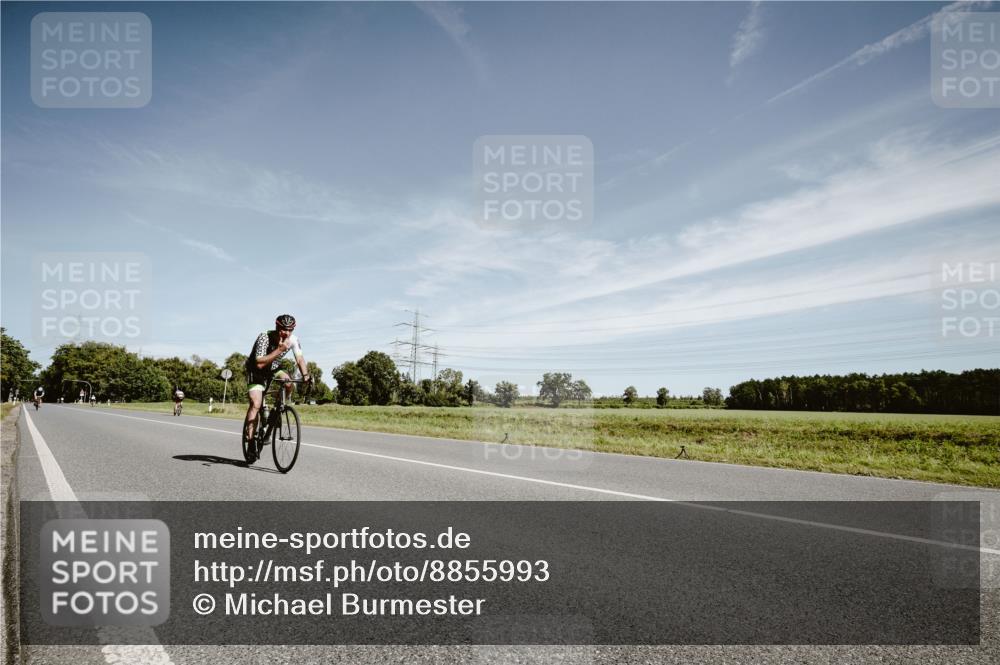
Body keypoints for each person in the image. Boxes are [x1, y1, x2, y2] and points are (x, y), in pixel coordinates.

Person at [243, 314, 311, 456]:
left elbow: (299, 359)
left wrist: (305, 375)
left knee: (288, 382)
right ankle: (250, 442)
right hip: (256, 370)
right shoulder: (264, 337)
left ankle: (278, 409)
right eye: (283, 329)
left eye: (290, 330)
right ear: (277, 327)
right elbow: (260, 363)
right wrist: (279, 350)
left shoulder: (292, 340)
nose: (286, 333)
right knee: (256, 403)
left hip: (274, 368)